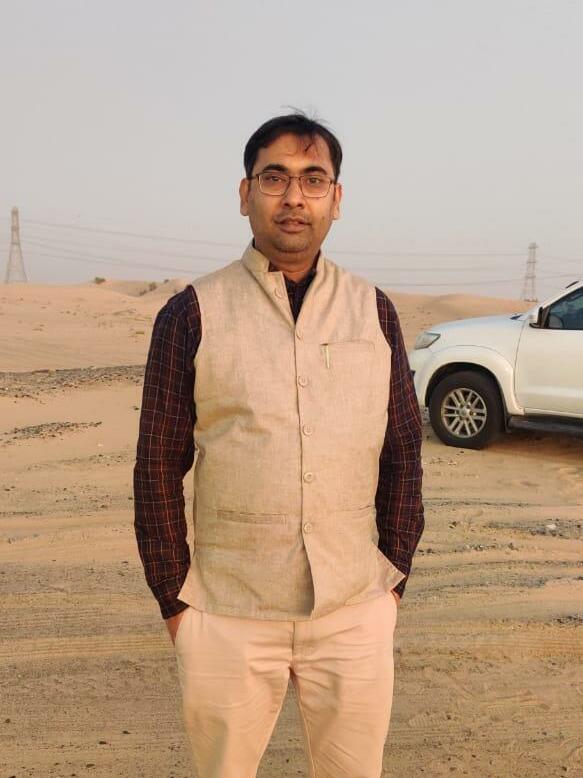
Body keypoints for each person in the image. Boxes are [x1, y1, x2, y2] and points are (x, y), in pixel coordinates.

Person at [133, 112, 424, 778]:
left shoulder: (373, 310)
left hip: (355, 607)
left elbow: (403, 453)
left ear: (336, 199)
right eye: (275, 178)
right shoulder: (191, 312)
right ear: (245, 194)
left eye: (313, 180)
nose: (294, 197)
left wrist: (392, 581)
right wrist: (175, 601)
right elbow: (156, 468)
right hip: (227, 610)